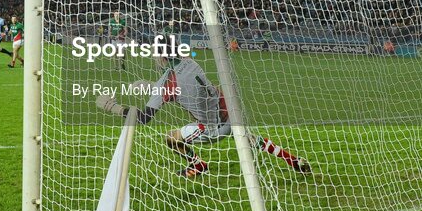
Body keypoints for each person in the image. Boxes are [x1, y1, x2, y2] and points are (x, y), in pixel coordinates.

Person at [96, 52, 311, 178]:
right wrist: (152, 86)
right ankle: (294, 161)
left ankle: (197, 163)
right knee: (251, 139)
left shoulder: (166, 83)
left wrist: (113, 107)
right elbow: (183, 90)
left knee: (171, 138)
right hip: (230, 112)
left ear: (162, 57)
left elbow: (144, 118)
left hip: (211, 128)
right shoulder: (191, 62)